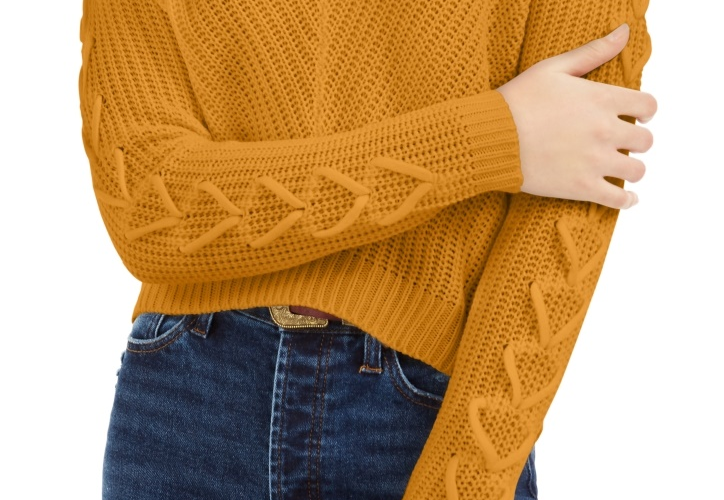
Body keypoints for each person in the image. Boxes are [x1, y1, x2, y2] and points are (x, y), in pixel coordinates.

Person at [78, 0, 654, 498]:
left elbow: (567, 202)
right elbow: (152, 213)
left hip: (436, 406)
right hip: (188, 395)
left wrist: (468, 481)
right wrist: (490, 138)